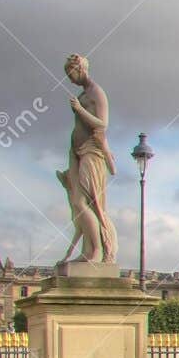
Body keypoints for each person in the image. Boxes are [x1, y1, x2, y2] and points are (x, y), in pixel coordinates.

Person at [58, 53, 117, 264]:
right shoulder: (85, 93)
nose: (69, 78)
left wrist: (79, 110)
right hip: (78, 152)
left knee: (84, 203)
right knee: (79, 203)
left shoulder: (96, 93)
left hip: (91, 151)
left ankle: (96, 252)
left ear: (80, 68)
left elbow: (102, 125)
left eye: (70, 73)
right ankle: (89, 250)